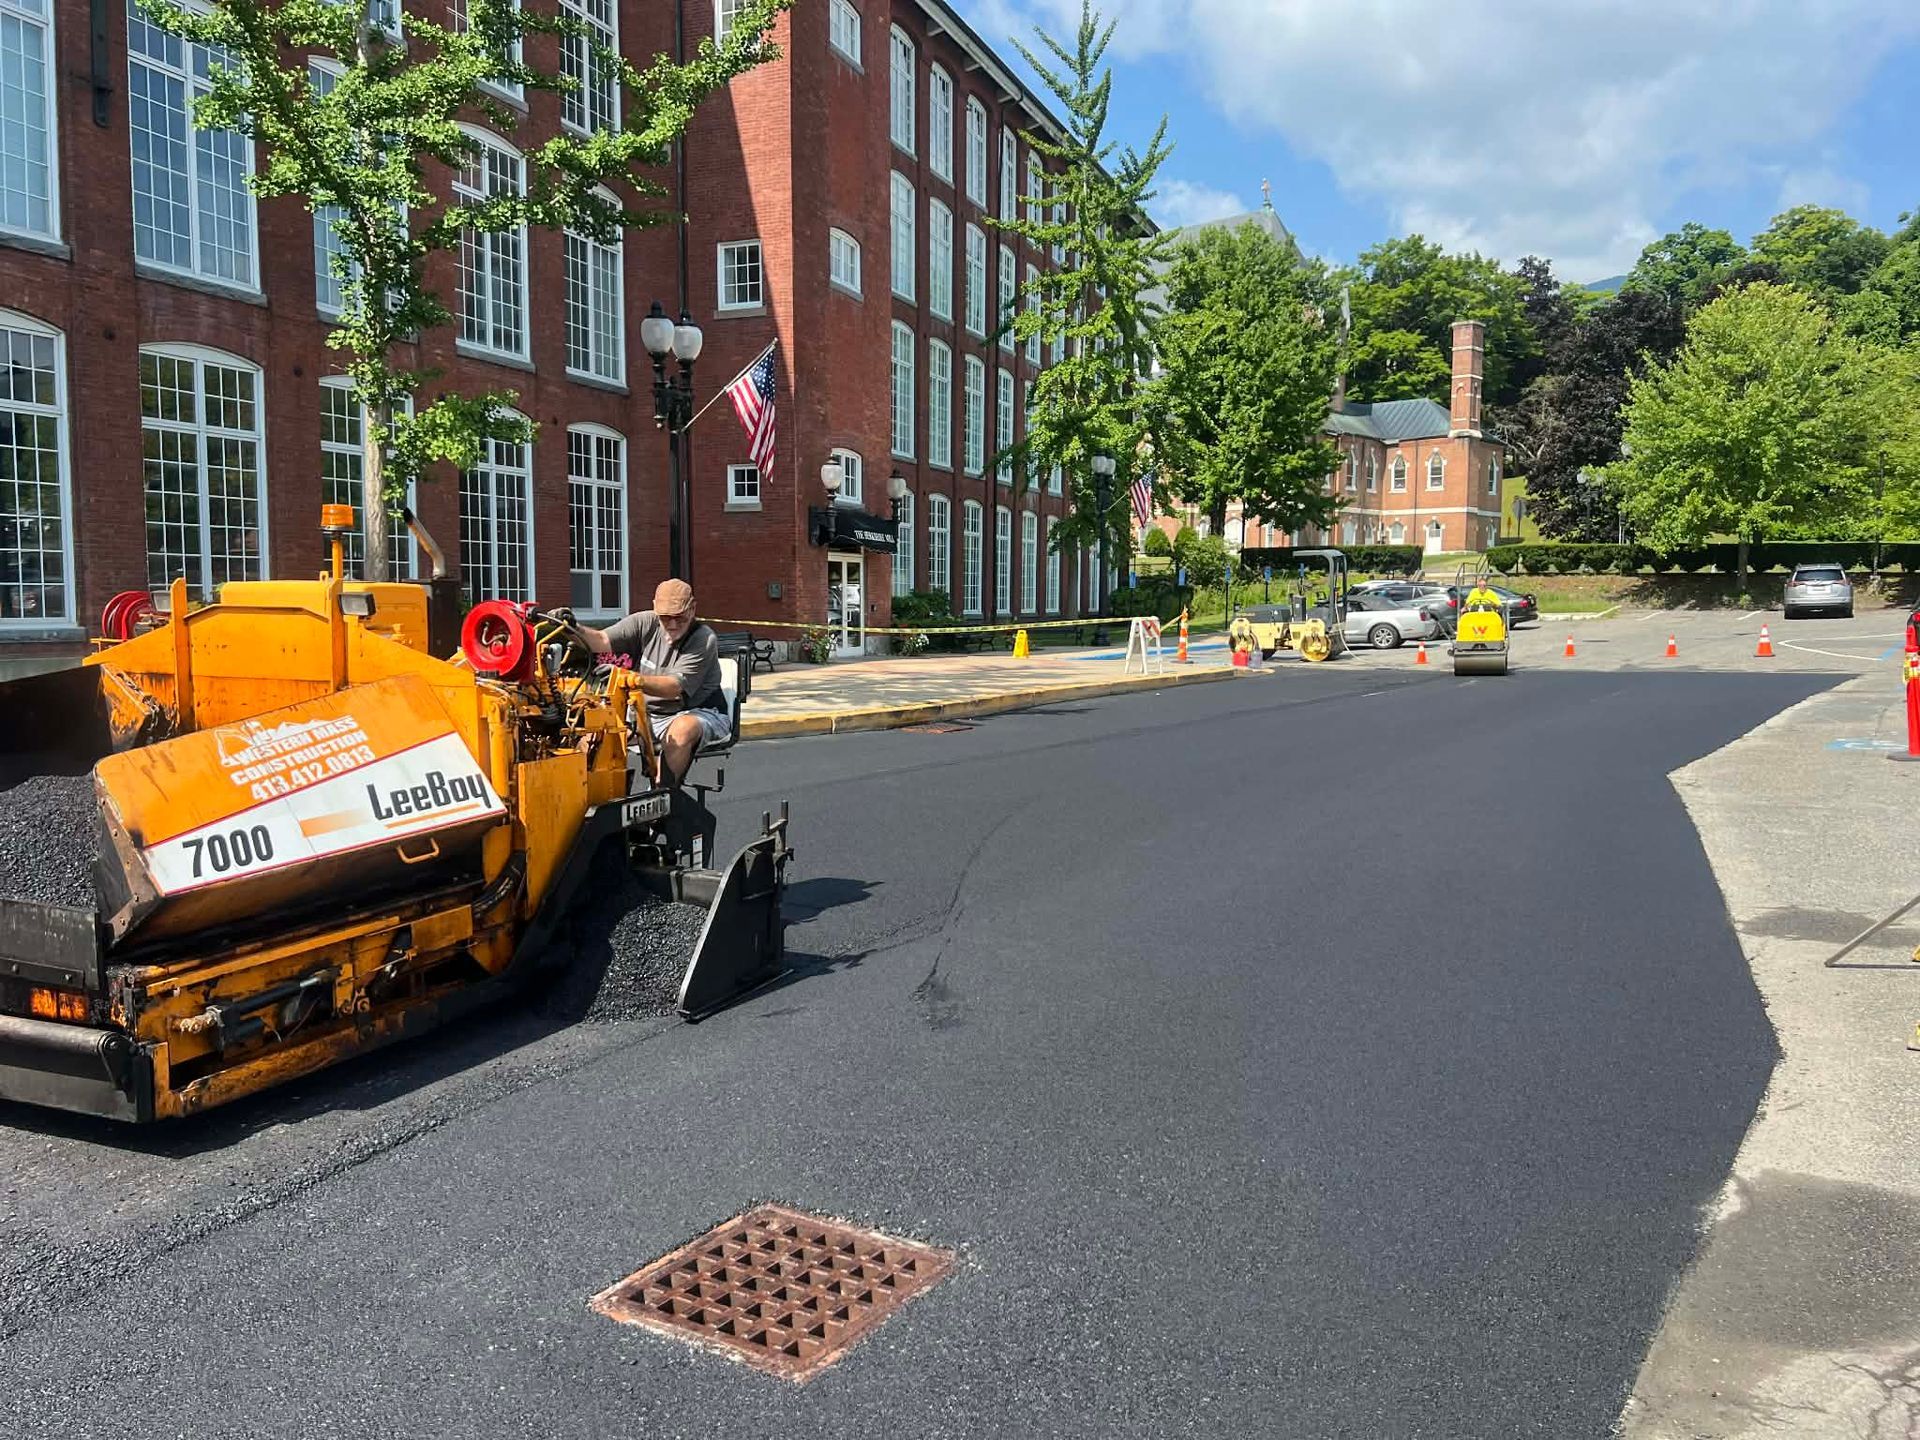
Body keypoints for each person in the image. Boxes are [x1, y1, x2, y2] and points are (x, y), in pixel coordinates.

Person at [571, 580, 729, 788]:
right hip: (645, 712)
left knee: (681, 729)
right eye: (666, 617)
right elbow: (599, 640)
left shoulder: (703, 638)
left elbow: (674, 687)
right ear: (655, 608)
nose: (672, 624)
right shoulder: (645, 622)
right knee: (594, 730)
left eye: (679, 617)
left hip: (696, 711)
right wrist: (571, 626)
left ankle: (663, 795)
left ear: (692, 609)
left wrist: (631, 678)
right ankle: (588, 793)